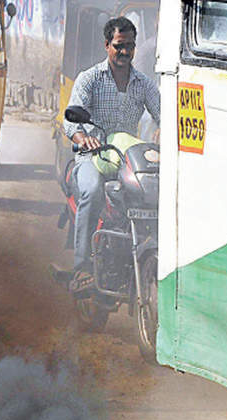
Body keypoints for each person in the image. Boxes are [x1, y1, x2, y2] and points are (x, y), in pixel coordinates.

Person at [63, 16, 160, 277]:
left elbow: (165, 114)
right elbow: (70, 123)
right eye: (118, 45)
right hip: (90, 159)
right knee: (93, 190)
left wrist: (167, 131)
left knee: (154, 198)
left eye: (129, 45)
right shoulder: (90, 79)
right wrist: (84, 139)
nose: (124, 51)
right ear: (107, 45)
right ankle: (81, 267)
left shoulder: (144, 84)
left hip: (126, 161)